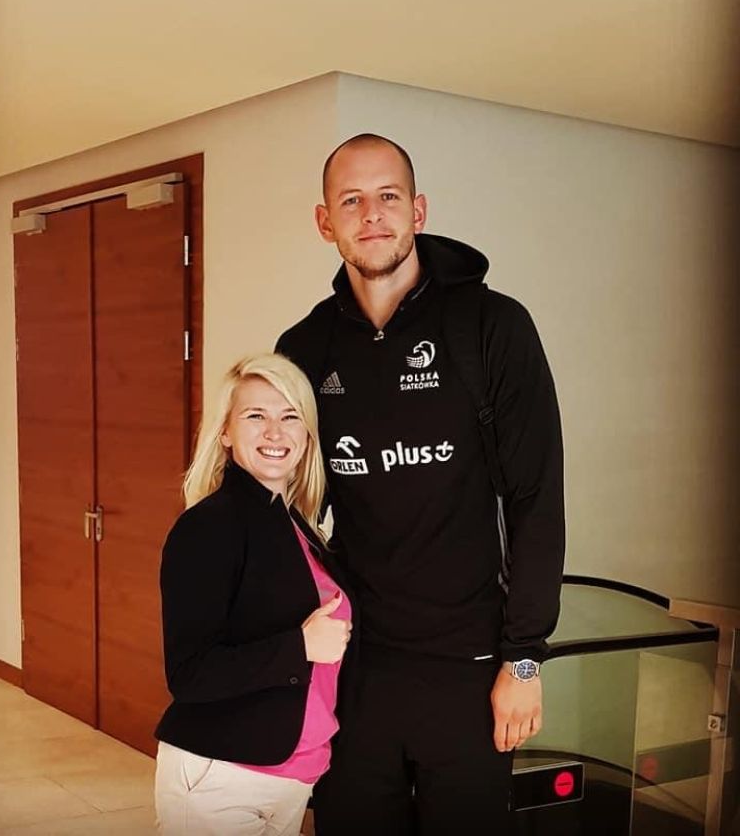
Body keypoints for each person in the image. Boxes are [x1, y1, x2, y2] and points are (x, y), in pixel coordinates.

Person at [276, 133, 565, 834]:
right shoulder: (305, 349)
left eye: (388, 196)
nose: (372, 213)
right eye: (351, 200)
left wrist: (525, 660)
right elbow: (287, 512)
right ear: (325, 222)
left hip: (471, 665)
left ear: (419, 210)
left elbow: (536, 500)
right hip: (354, 666)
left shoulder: (491, 327)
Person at [154, 353, 353, 836]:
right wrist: (300, 646)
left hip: (291, 773)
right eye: (255, 416)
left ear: (307, 435)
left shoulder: (298, 525)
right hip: (224, 775)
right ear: (225, 431)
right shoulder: (207, 527)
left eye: (290, 417)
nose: (275, 433)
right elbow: (189, 673)